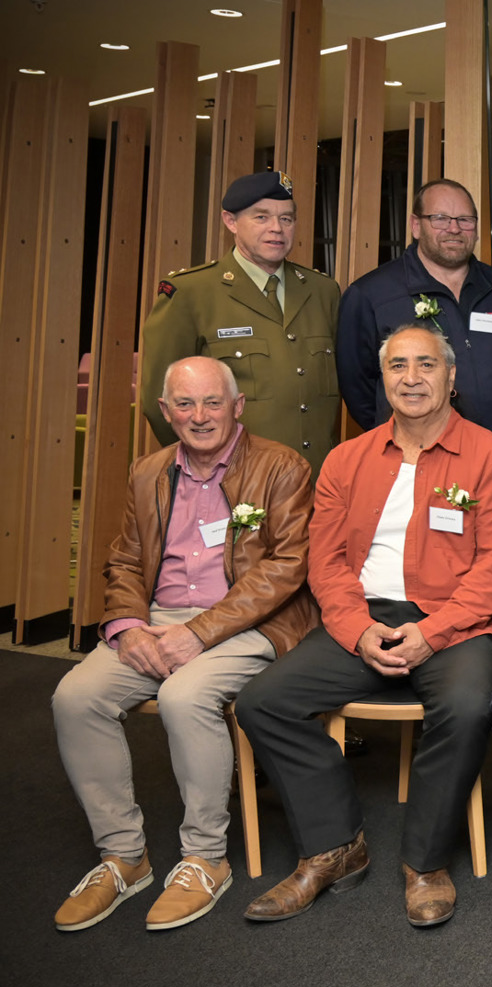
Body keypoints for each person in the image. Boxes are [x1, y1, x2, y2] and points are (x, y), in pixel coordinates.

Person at [235, 325, 492, 928]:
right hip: (365, 617)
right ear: (382, 377)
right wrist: (357, 630)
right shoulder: (347, 458)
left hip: (460, 623)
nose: (411, 378)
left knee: (469, 707)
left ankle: (425, 862)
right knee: (263, 701)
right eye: (397, 366)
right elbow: (328, 561)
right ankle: (335, 846)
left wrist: (433, 632)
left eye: (425, 365)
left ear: (451, 377)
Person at [50, 357, 316, 932]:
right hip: (156, 621)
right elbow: (123, 559)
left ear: (237, 406)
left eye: (213, 402)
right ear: (166, 412)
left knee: (184, 696)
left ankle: (204, 858)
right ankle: (123, 856)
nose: (200, 417)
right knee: (75, 697)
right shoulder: (147, 471)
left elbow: (288, 566)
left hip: (246, 622)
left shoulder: (281, 465)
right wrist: (127, 627)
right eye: (186, 405)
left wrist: (197, 633)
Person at [140, 170, 343, 472]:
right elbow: (162, 403)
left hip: (315, 481)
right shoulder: (191, 293)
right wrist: (203, 466)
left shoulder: (322, 291)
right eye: (261, 217)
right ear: (230, 221)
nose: (277, 228)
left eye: (286, 219)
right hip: (232, 481)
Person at [337, 179, 492, 446]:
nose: (454, 228)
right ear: (416, 225)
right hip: (413, 455)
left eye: (465, 220)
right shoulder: (371, 294)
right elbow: (357, 386)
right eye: (440, 218)